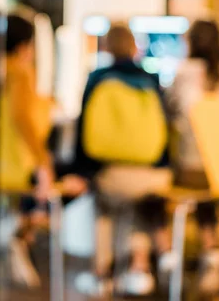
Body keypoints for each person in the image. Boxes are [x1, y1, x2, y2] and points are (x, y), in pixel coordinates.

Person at [74, 23, 173, 297]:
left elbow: (85, 134)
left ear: (106, 47)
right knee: (143, 204)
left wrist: (84, 172)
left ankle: (101, 273)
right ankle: (139, 267)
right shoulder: (150, 79)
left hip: (113, 174)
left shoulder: (97, 78)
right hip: (152, 175)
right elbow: (164, 133)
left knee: (103, 208)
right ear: (134, 46)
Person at [0, 11, 87, 288]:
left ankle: (20, 231)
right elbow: (24, 121)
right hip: (15, 164)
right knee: (76, 181)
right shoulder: (20, 72)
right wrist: (44, 166)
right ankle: (19, 232)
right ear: (26, 45)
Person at [165, 20, 219, 295]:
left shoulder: (183, 73)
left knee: (185, 182)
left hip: (194, 171)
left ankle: (189, 252)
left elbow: (168, 116)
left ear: (190, 42)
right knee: (217, 192)